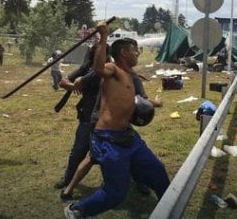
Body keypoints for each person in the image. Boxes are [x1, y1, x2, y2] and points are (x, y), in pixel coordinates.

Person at [64, 22, 170, 218]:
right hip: (107, 139)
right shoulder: (112, 70)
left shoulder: (131, 76)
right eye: (135, 51)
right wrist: (104, 37)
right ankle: (77, 209)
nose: (138, 53)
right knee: (115, 193)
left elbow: (136, 100)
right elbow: (97, 68)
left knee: (159, 174)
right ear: (123, 53)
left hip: (128, 137)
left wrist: (153, 103)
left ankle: (169, 211)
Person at [54, 43, 109, 197]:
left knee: (111, 153)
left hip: (108, 119)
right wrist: (74, 86)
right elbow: (63, 82)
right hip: (87, 117)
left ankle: (119, 182)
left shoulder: (110, 67)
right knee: (78, 151)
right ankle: (68, 179)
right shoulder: (87, 68)